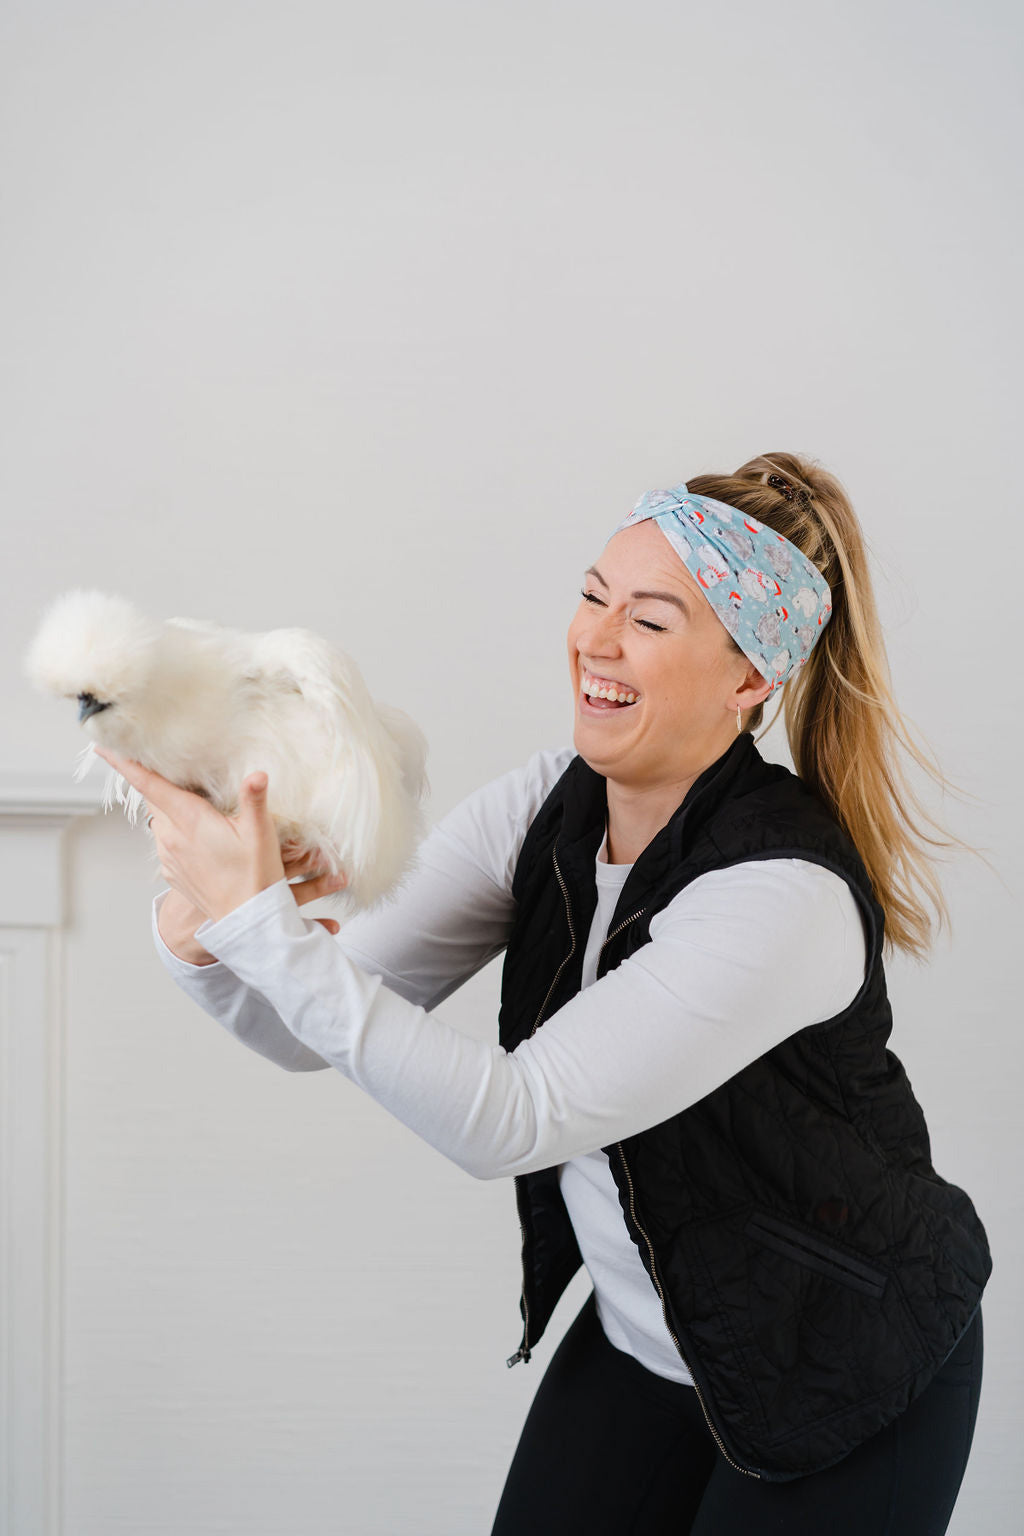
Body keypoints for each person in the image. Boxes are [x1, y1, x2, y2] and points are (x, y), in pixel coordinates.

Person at [97, 452, 991, 1534]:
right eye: (591, 596)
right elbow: (316, 1022)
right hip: (646, 1338)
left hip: (844, 1351)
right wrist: (202, 926)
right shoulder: (543, 808)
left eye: (650, 622)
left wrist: (262, 927)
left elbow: (512, 1119)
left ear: (750, 677)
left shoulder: (780, 895)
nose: (595, 641)